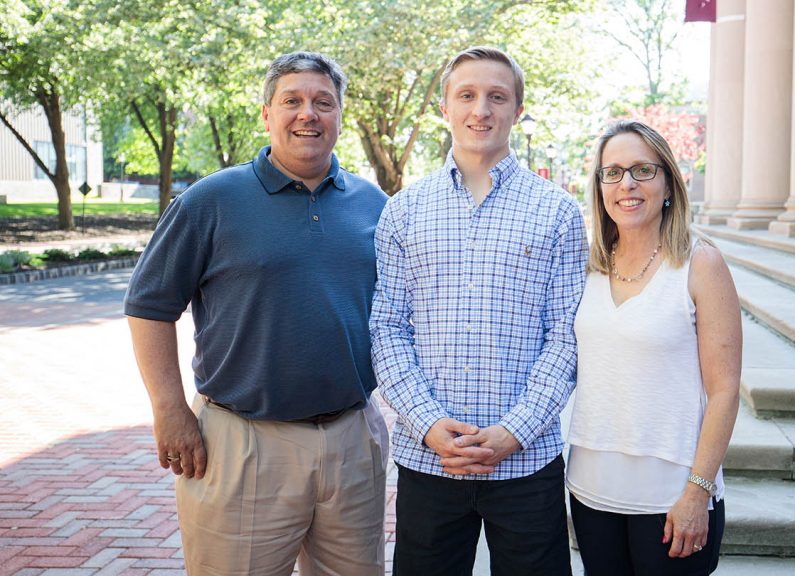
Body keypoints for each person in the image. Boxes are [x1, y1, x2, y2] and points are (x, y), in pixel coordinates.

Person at [124, 51, 389, 576]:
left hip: (353, 441)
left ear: (339, 115)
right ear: (267, 114)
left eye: (323, 102)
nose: (308, 114)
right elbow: (149, 306)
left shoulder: (374, 204)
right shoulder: (211, 200)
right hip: (243, 445)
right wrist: (169, 410)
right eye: (292, 101)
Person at [370, 46, 588, 576]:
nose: (481, 110)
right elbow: (388, 328)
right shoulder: (403, 210)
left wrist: (515, 430)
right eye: (466, 95)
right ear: (444, 108)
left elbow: (567, 335)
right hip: (428, 460)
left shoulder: (557, 211)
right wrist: (426, 422)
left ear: (517, 109)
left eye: (497, 96)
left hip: (527, 462)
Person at [566, 120, 741, 576]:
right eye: (613, 171)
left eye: (643, 170)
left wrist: (697, 492)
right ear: (600, 186)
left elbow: (724, 391)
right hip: (592, 491)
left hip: (673, 497)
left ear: (668, 183)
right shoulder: (588, 266)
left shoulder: (700, 264)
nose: (626, 183)